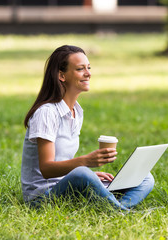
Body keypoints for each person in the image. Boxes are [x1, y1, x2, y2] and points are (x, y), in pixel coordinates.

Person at [21, 45, 154, 211]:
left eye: (88, 68)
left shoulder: (76, 111)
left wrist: (89, 177)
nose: (88, 73)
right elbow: (46, 169)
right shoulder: (46, 113)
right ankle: (119, 210)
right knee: (82, 173)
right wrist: (84, 164)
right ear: (61, 75)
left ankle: (117, 207)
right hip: (42, 197)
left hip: (67, 184)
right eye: (80, 69)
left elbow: (63, 162)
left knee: (145, 177)